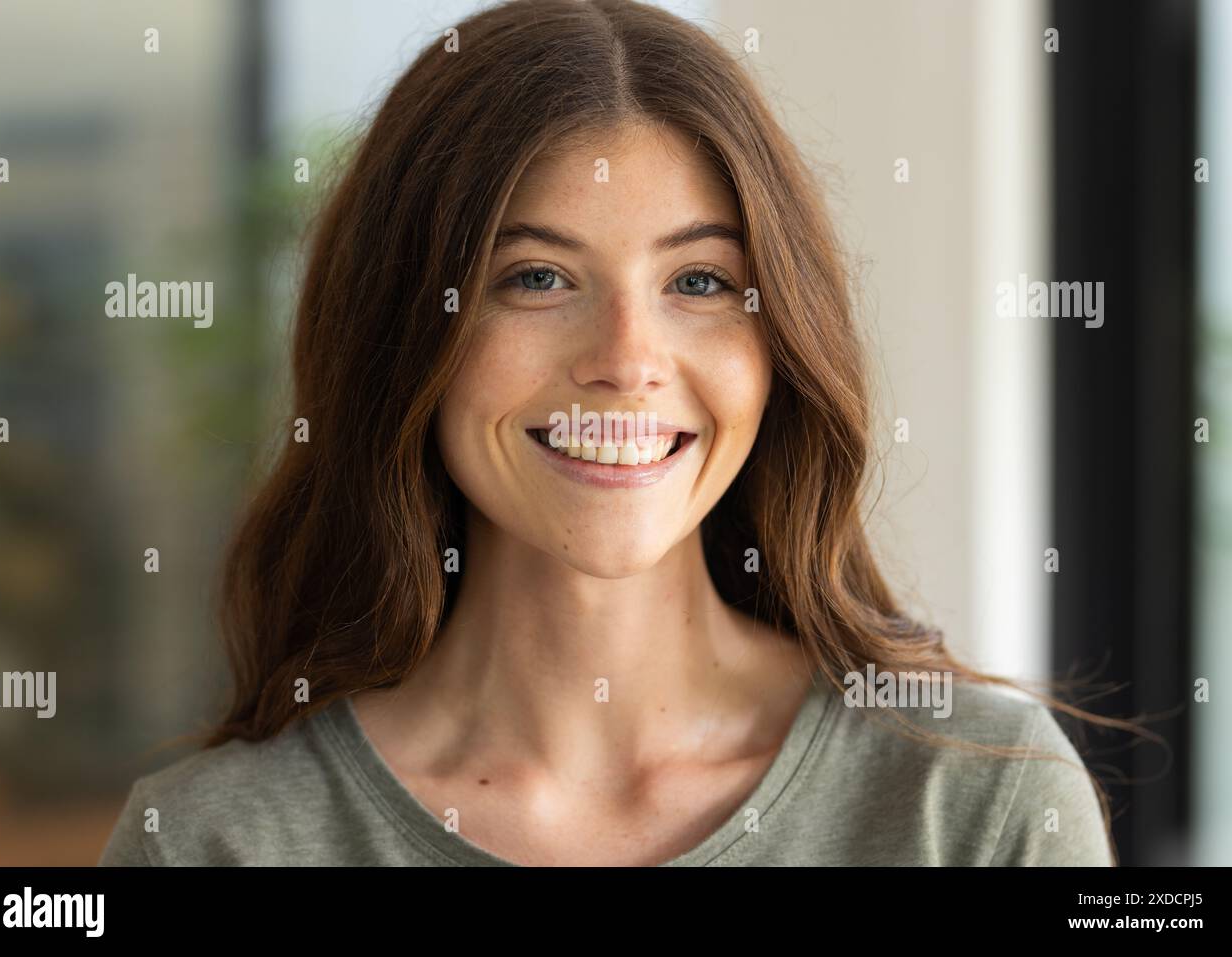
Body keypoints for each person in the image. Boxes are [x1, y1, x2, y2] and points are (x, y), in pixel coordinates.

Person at [99, 0, 1117, 867]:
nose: (627, 361)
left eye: (700, 282)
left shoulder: (978, 808)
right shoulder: (211, 844)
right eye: (536, 279)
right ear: (404, 333)